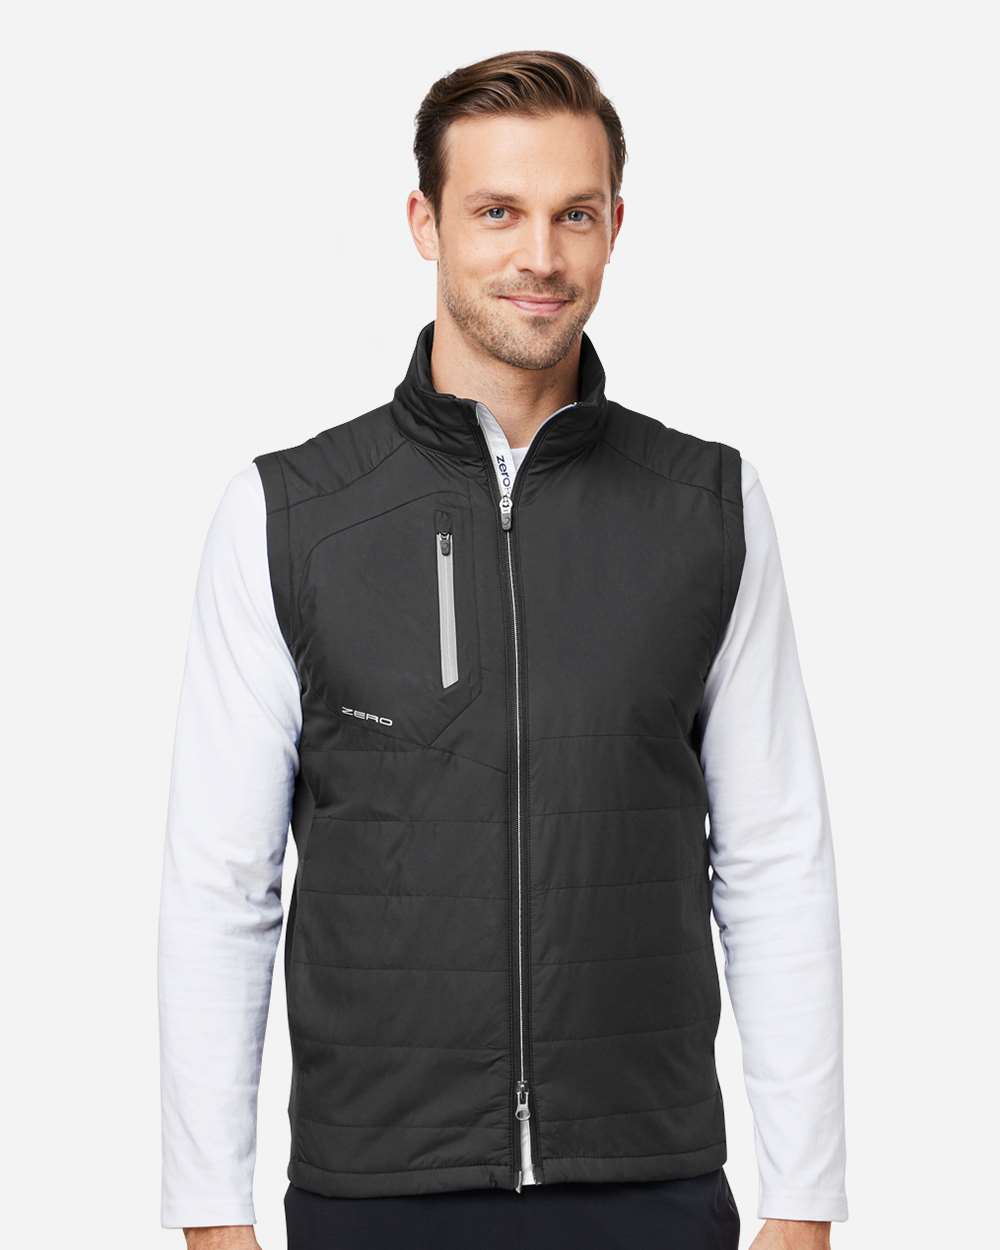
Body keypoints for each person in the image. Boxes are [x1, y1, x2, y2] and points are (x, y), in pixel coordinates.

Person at [158, 49, 848, 1250]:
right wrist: (210, 1212)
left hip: (648, 1182)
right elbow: (222, 881)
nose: (541, 255)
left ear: (615, 226)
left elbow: (774, 855)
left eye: (574, 214)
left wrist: (803, 1200)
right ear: (424, 222)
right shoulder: (289, 515)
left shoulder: (705, 506)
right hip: (375, 1193)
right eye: (497, 212)